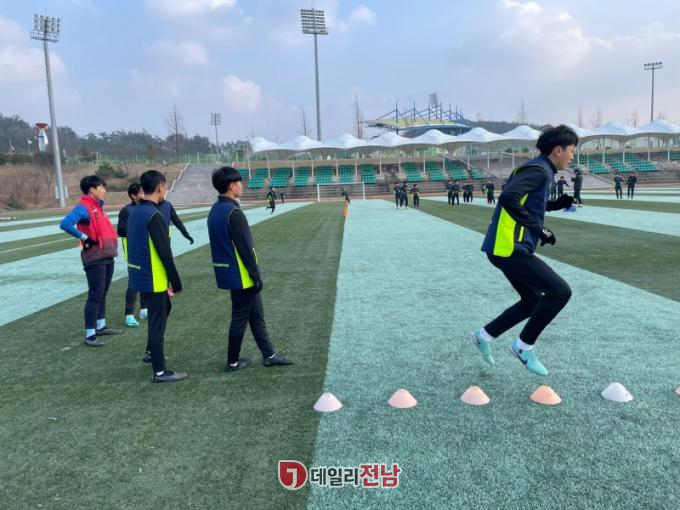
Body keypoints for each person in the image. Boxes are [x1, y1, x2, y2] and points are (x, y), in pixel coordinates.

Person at [472, 125, 576, 377]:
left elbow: (528, 202)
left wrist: (554, 204)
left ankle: (483, 335)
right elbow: (508, 197)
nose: (572, 157)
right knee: (560, 292)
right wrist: (540, 229)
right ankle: (523, 346)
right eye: (571, 151)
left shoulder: (539, 169)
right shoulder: (539, 170)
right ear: (558, 150)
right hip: (510, 247)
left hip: (505, 247)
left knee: (532, 301)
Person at [207, 167, 294, 372]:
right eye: (239, 183)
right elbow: (245, 248)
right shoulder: (233, 212)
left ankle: (269, 355)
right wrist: (255, 275)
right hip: (241, 273)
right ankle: (232, 362)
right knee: (240, 318)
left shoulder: (215, 209)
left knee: (256, 315)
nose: (241, 186)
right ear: (231, 186)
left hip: (228, 271)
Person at [127, 170, 186, 383]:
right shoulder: (154, 215)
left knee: (162, 311)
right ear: (160, 187)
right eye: (165, 186)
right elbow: (164, 252)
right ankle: (159, 370)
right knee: (156, 321)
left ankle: (153, 352)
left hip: (140, 273)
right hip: (153, 276)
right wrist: (176, 281)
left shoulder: (135, 211)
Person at [60, 175, 121, 347]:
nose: (105, 190)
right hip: (95, 257)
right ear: (92, 189)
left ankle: (100, 326)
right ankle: (90, 334)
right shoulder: (83, 207)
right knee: (95, 293)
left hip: (107, 255)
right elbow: (65, 223)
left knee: (103, 292)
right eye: (102, 187)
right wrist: (85, 238)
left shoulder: (98, 207)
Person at [117, 183, 148, 327]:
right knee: (134, 282)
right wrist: (138, 231)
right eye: (141, 192)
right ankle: (129, 315)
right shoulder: (126, 210)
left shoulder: (147, 208)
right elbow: (121, 230)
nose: (143, 194)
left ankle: (144, 309)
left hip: (147, 250)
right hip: (133, 251)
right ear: (133, 195)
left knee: (146, 279)